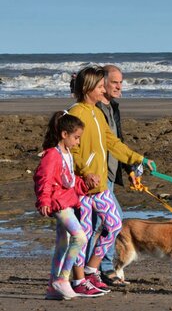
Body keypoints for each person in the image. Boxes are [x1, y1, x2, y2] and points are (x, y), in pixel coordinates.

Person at [68, 65, 157, 296]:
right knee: (83, 234)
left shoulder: (97, 113)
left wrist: (138, 159)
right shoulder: (76, 113)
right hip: (83, 187)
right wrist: (85, 171)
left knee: (114, 223)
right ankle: (78, 281)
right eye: (99, 86)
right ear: (88, 88)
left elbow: (112, 143)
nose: (103, 90)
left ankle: (91, 270)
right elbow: (72, 149)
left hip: (100, 185)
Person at [33, 111, 89, 300]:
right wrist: (44, 200)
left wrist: (85, 185)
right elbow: (44, 178)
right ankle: (63, 279)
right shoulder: (52, 155)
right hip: (59, 204)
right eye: (76, 138)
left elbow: (69, 181)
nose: (78, 142)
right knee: (80, 237)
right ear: (64, 134)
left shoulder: (67, 154)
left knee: (62, 246)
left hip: (67, 201)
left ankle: (52, 288)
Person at [88, 65, 131, 286]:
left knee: (103, 223)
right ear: (102, 83)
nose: (119, 86)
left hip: (111, 173)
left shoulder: (113, 106)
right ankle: (96, 269)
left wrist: (131, 168)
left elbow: (117, 141)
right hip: (97, 174)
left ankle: (95, 269)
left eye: (121, 82)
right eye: (115, 82)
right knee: (108, 221)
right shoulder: (93, 110)